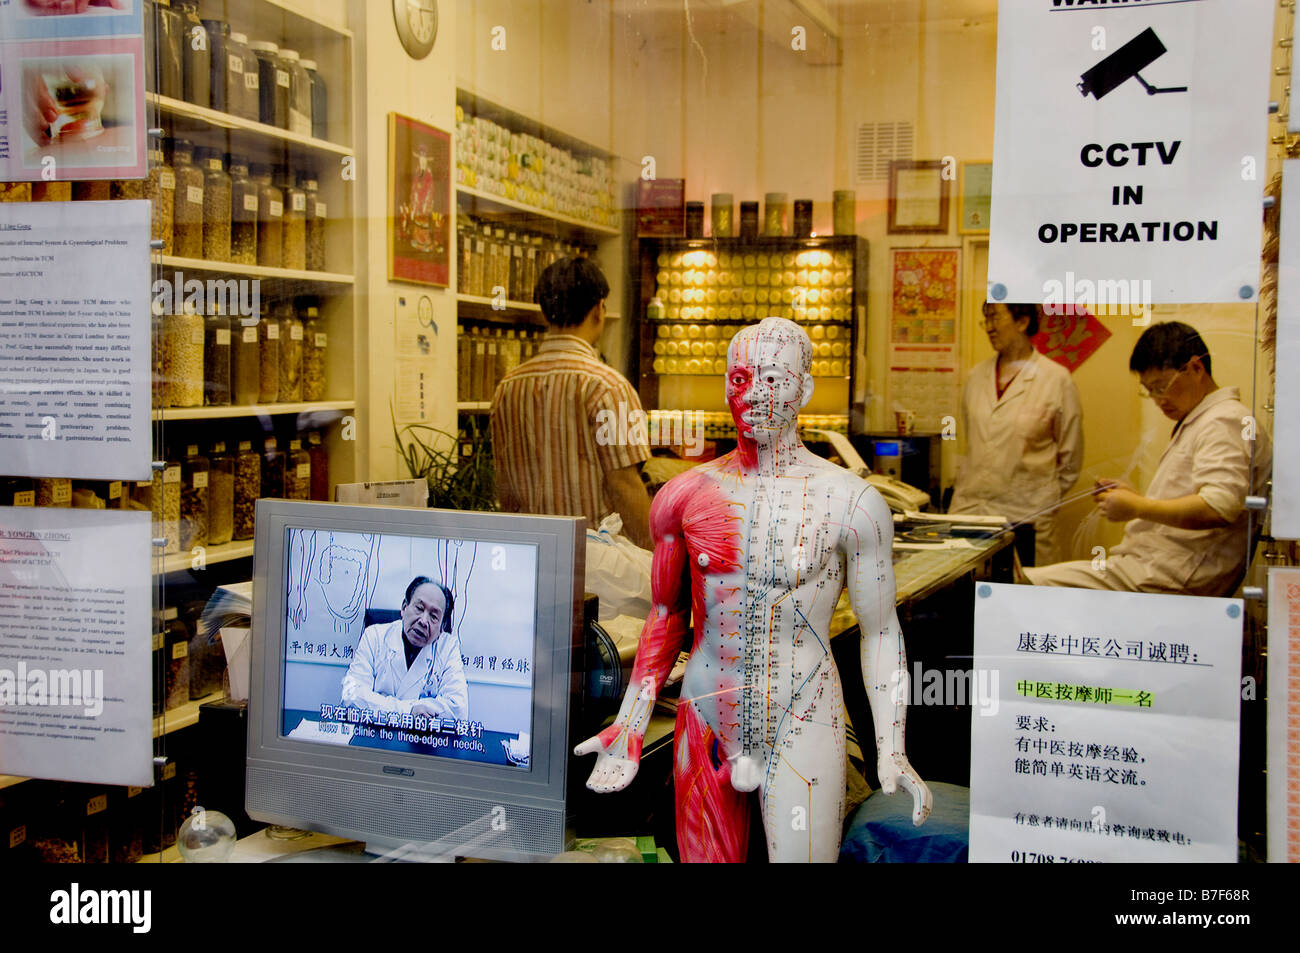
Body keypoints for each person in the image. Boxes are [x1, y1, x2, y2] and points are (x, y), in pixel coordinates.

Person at [575, 317, 930, 863]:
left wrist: (892, 745)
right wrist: (631, 718)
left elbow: (881, 631)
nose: (755, 396)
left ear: (804, 389)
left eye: (774, 380)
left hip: (804, 709)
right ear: (724, 387)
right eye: (741, 380)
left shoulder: (851, 503)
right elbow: (667, 614)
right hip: (706, 710)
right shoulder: (682, 496)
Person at [1025, 321, 1272, 597]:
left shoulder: (1224, 419)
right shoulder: (1204, 419)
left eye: (1161, 386)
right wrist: (1135, 499)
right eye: (1149, 390)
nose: (1157, 399)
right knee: (1028, 580)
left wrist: (1139, 507)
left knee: (1026, 583)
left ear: (1195, 368)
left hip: (1172, 575)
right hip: (1158, 567)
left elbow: (1218, 507)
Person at [491, 257, 653, 548]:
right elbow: (625, 486)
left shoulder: (507, 388)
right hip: (597, 564)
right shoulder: (608, 387)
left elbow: (507, 491)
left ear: (544, 313)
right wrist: (658, 560)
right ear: (599, 310)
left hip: (532, 553)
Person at [949, 302, 1083, 565]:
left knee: (1022, 596)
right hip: (971, 511)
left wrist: (1040, 496)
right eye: (985, 319)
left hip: (1026, 515)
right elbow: (973, 443)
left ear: (1022, 322)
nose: (989, 328)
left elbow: (1071, 459)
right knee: (967, 597)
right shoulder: (976, 377)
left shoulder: (1056, 379)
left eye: (995, 318)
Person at [340, 576, 469, 720]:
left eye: (434, 616)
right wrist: (410, 711)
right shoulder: (375, 636)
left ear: (442, 627)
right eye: (419, 608)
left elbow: (458, 709)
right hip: (372, 735)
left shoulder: (448, 647)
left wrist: (379, 703)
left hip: (423, 739)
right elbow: (351, 696)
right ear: (404, 608)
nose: (423, 621)